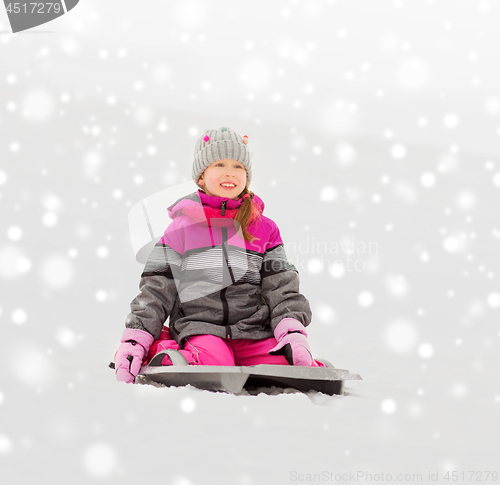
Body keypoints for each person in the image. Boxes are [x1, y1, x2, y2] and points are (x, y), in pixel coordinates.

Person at [114, 126, 324, 384]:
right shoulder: (181, 228)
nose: (229, 172)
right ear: (201, 177)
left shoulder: (264, 228)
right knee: (216, 364)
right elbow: (157, 288)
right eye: (219, 164)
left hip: (252, 332)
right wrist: (137, 338)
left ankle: (273, 358)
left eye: (238, 166)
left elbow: (282, 286)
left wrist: (291, 331)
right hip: (201, 328)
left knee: (284, 366)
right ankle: (163, 350)